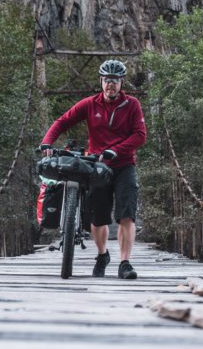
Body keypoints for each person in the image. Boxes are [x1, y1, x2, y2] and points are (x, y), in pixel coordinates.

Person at [40, 60, 146, 279]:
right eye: (107, 80)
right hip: (97, 166)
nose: (111, 85)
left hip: (124, 165)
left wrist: (115, 150)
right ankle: (102, 254)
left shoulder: (132, 104)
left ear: (121, 83)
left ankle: (125, 263)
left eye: (115, 81)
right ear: (101, 81)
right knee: (97, 219)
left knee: (127, 216)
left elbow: (139, 135)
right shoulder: (90, 104)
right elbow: (62, 121)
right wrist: (47, 143)